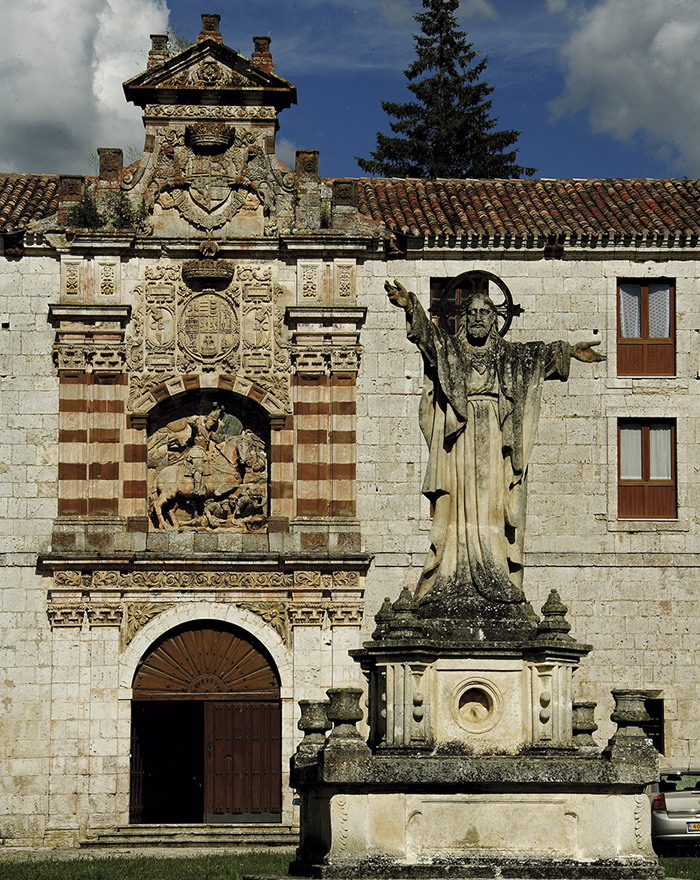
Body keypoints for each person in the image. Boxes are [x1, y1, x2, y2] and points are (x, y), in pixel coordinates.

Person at [385, 279, 605, 609]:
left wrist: (570, 351)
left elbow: (538, 356)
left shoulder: (509, 356)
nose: (477, 318)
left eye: (484, 313)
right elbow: (428, 339)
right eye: (471, 312)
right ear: (463, 319)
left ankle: (494, 569)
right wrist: (412, 306)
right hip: (459, 437)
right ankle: (453, 571)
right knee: (457, 503)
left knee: (493, 506)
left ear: (494, 319)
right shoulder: (451, 351)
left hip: (495, 436)